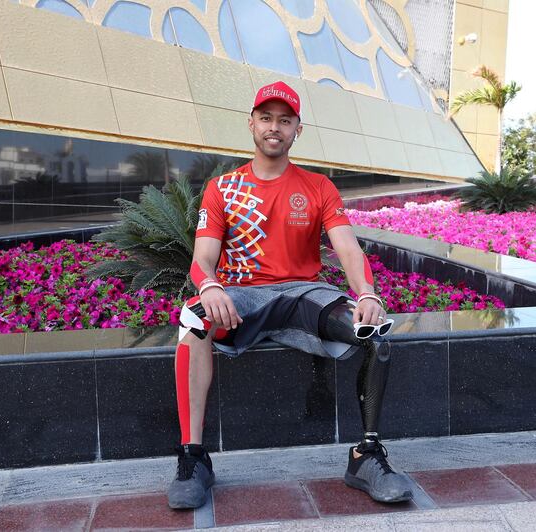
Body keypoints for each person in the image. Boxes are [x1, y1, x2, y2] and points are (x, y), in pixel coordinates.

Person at [167, 81, 413, 509]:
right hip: (243, 298)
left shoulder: (319, 187)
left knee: (374, 334)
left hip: (304, 296)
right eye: (266, 118)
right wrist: (209, 286)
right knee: (192, 322)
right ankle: (194, 458)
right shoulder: (223, 188)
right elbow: (202, 257)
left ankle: (366, 456)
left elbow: (349, 249)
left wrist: (367, 293)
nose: (274, 127)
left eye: (285, 120)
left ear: (298, 129)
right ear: (251, 124)